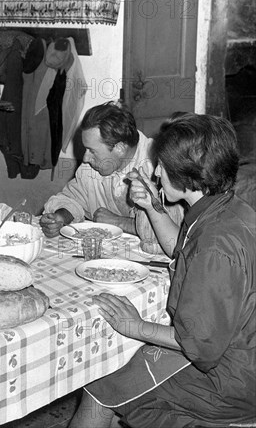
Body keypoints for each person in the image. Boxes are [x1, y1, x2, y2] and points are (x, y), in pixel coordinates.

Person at [69, 114, 256, 428]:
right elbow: (181, 251)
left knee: (102, 386)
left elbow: (200, 346)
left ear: (187, 172)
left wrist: (136, 326)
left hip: (228, 381)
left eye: (163, 165)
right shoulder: (226, 208)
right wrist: (153, 208)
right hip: (239, 353)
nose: (156, 171)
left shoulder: (214, 245)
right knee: (126, 373)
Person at [40, 102, 182, 254]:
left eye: (91, 151)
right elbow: (74, 198)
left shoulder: (161, 167)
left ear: (120, 148)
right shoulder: (92, 166)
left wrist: (118, 222)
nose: (86, 158)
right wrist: (61, 216)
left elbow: (177, 233)